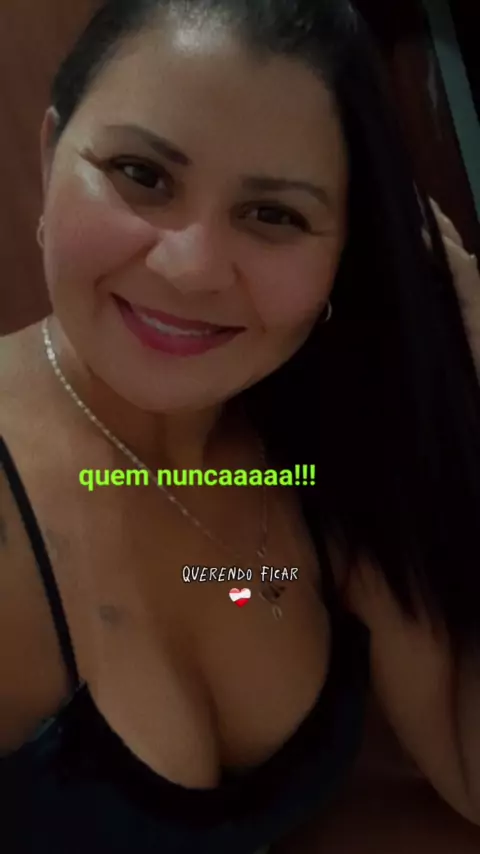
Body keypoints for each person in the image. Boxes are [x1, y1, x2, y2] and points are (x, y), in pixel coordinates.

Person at [0, 1, 479, 851]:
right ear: (50, 155)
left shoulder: (317, 456)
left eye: (274, 215)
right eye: (141, 174)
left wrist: (470, 333)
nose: (191, 268)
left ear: (344, 254)